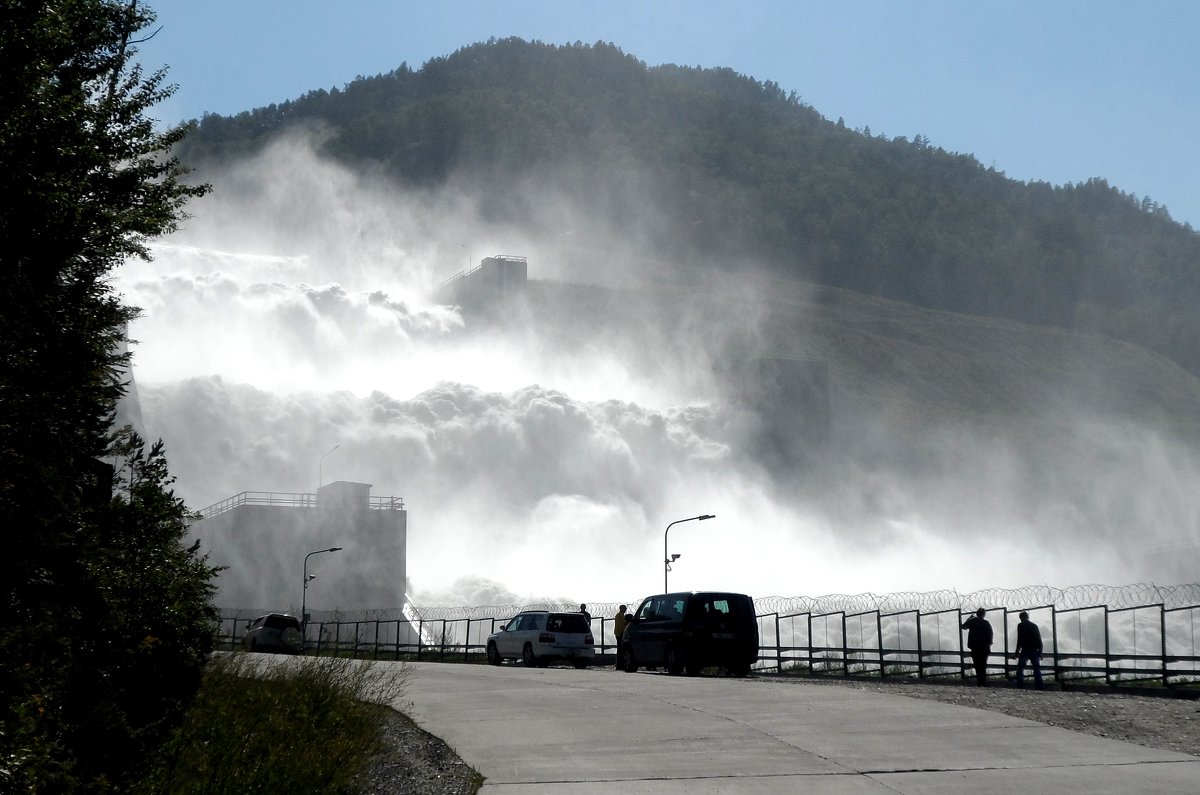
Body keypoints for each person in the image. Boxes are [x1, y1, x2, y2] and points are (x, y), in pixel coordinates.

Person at [960, 607, 993, 686]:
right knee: (983, 665)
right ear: (984, 614)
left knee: (977, 665)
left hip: (975, 648)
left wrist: (969, 618)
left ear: (977, 614)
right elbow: (990, 634)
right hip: (984, 648)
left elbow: (963, 627)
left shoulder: (972, 621)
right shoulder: (986, 623)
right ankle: (983, 682)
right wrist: (988, 644)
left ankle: (979, 682)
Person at [1015, 610, 1045, 690]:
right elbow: (1039, 639)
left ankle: (1020, 686)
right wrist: (1040, 652)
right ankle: (1040, 687)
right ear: (1027, 617)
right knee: (1036, 669)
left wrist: (1016, 652)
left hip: (1025, 650)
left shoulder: (1020, 626)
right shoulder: (1034, 626)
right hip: (1034, 649)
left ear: (1021, 618)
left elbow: (1019, 640)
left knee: (1020, 668)